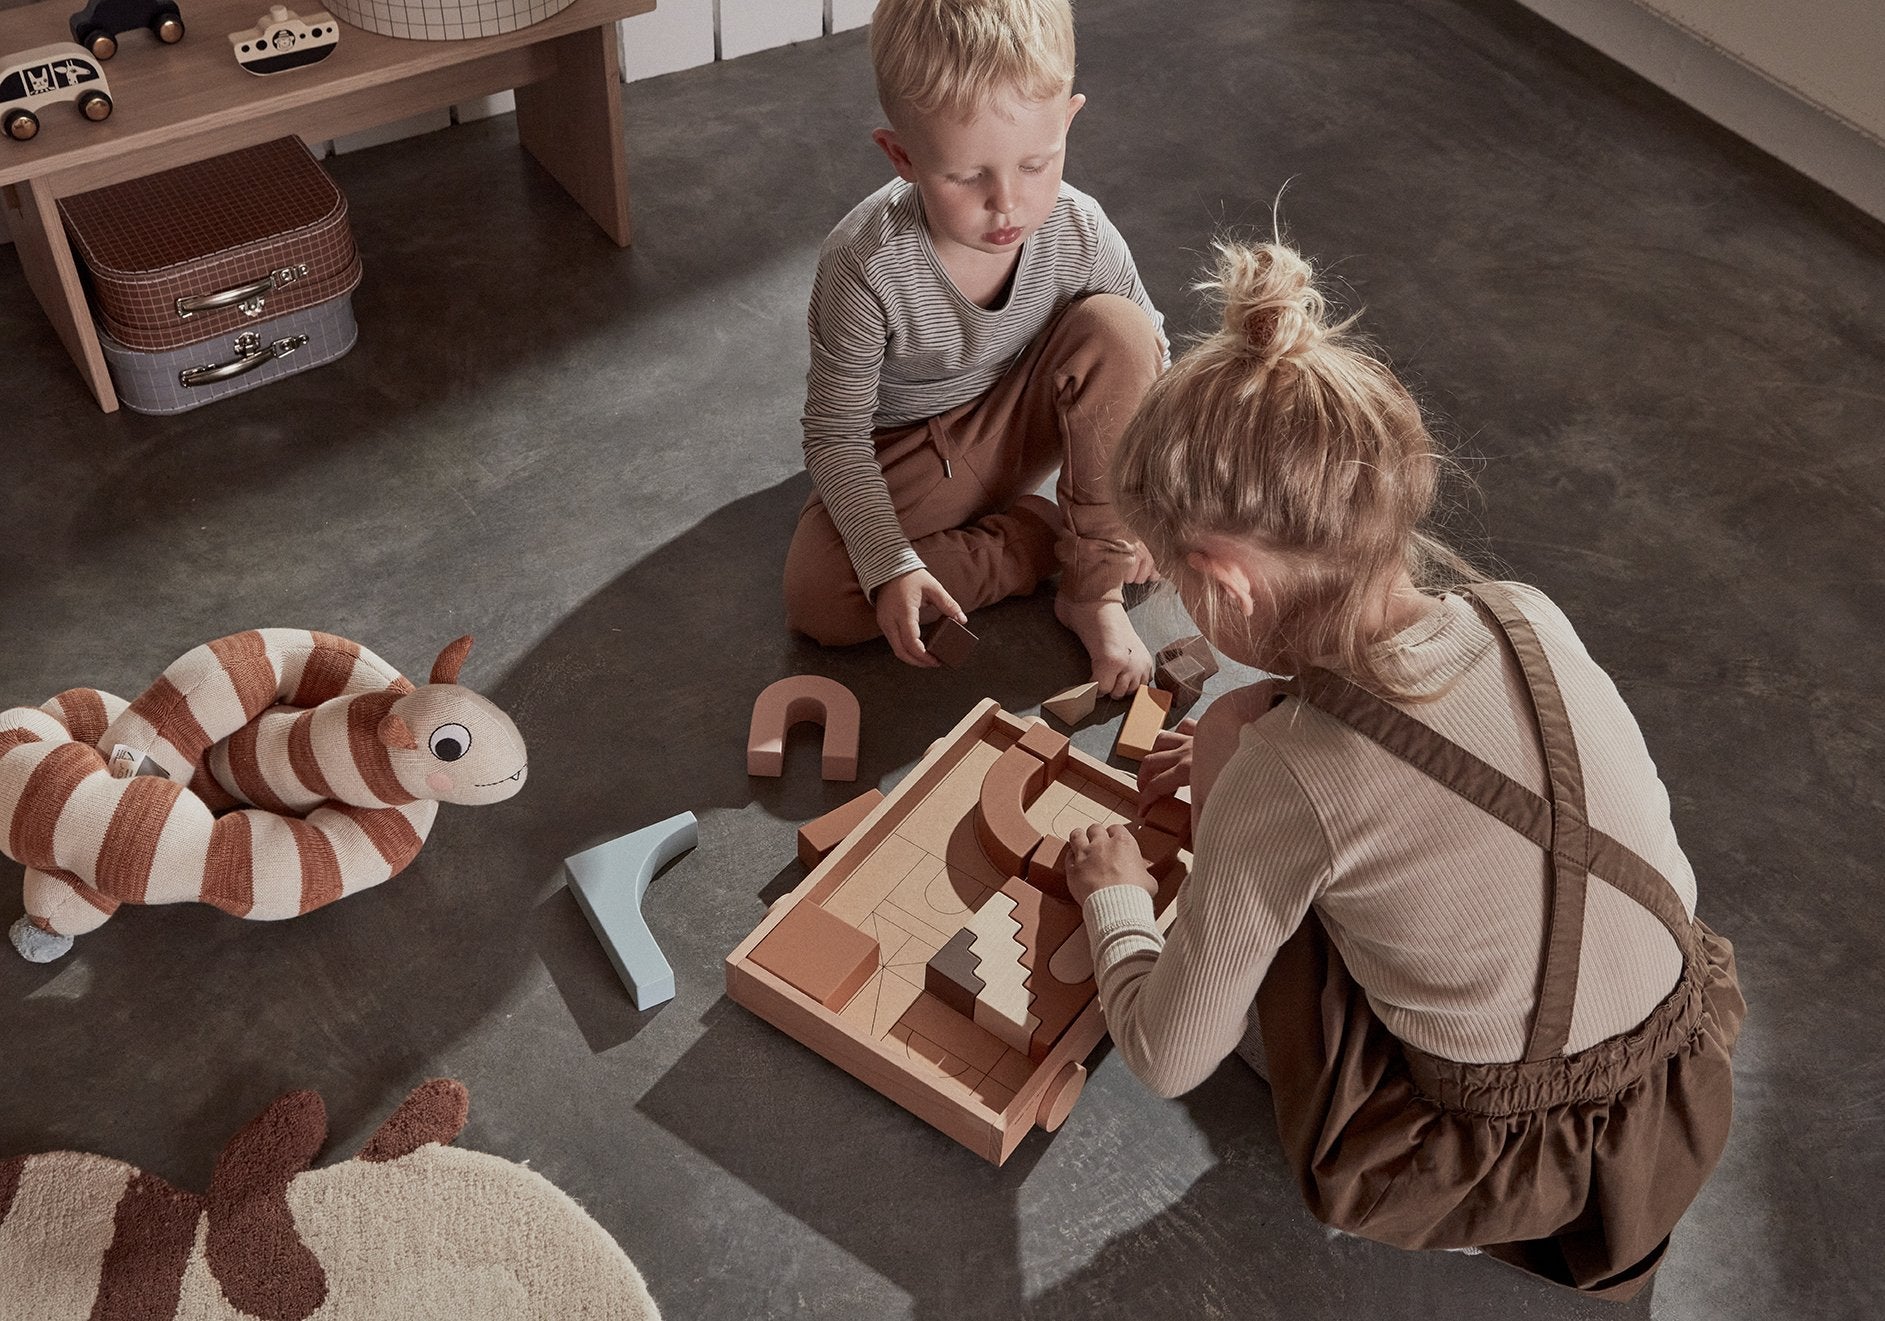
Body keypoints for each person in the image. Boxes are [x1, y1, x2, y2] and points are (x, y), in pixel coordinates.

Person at [1063, 237, 1744, 1300]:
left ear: (1225, 584)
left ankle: (1465, 1224)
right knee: (1292, 775)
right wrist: (1246, 734)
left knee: (1251, 908)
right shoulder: (1521, 610)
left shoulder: (1286, 779)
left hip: (1505, 1162)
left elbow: (1165, 1053)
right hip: (1680, 1080)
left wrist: (1116, 901)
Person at [783, 0, 1168, 695]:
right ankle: (1028, 539)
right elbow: (836, 437)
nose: (1008, 205)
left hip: (1031, 416)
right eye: (967, 177)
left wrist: (1146, 509)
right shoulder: (863, 262)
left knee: (1120, 327)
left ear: (1067, 122)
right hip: (912, 449)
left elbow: (1149, 364)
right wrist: (893, 565)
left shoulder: (1080, 229)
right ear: (901, 156)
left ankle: (1090, 588)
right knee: (820, 599)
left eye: (1036, 163)